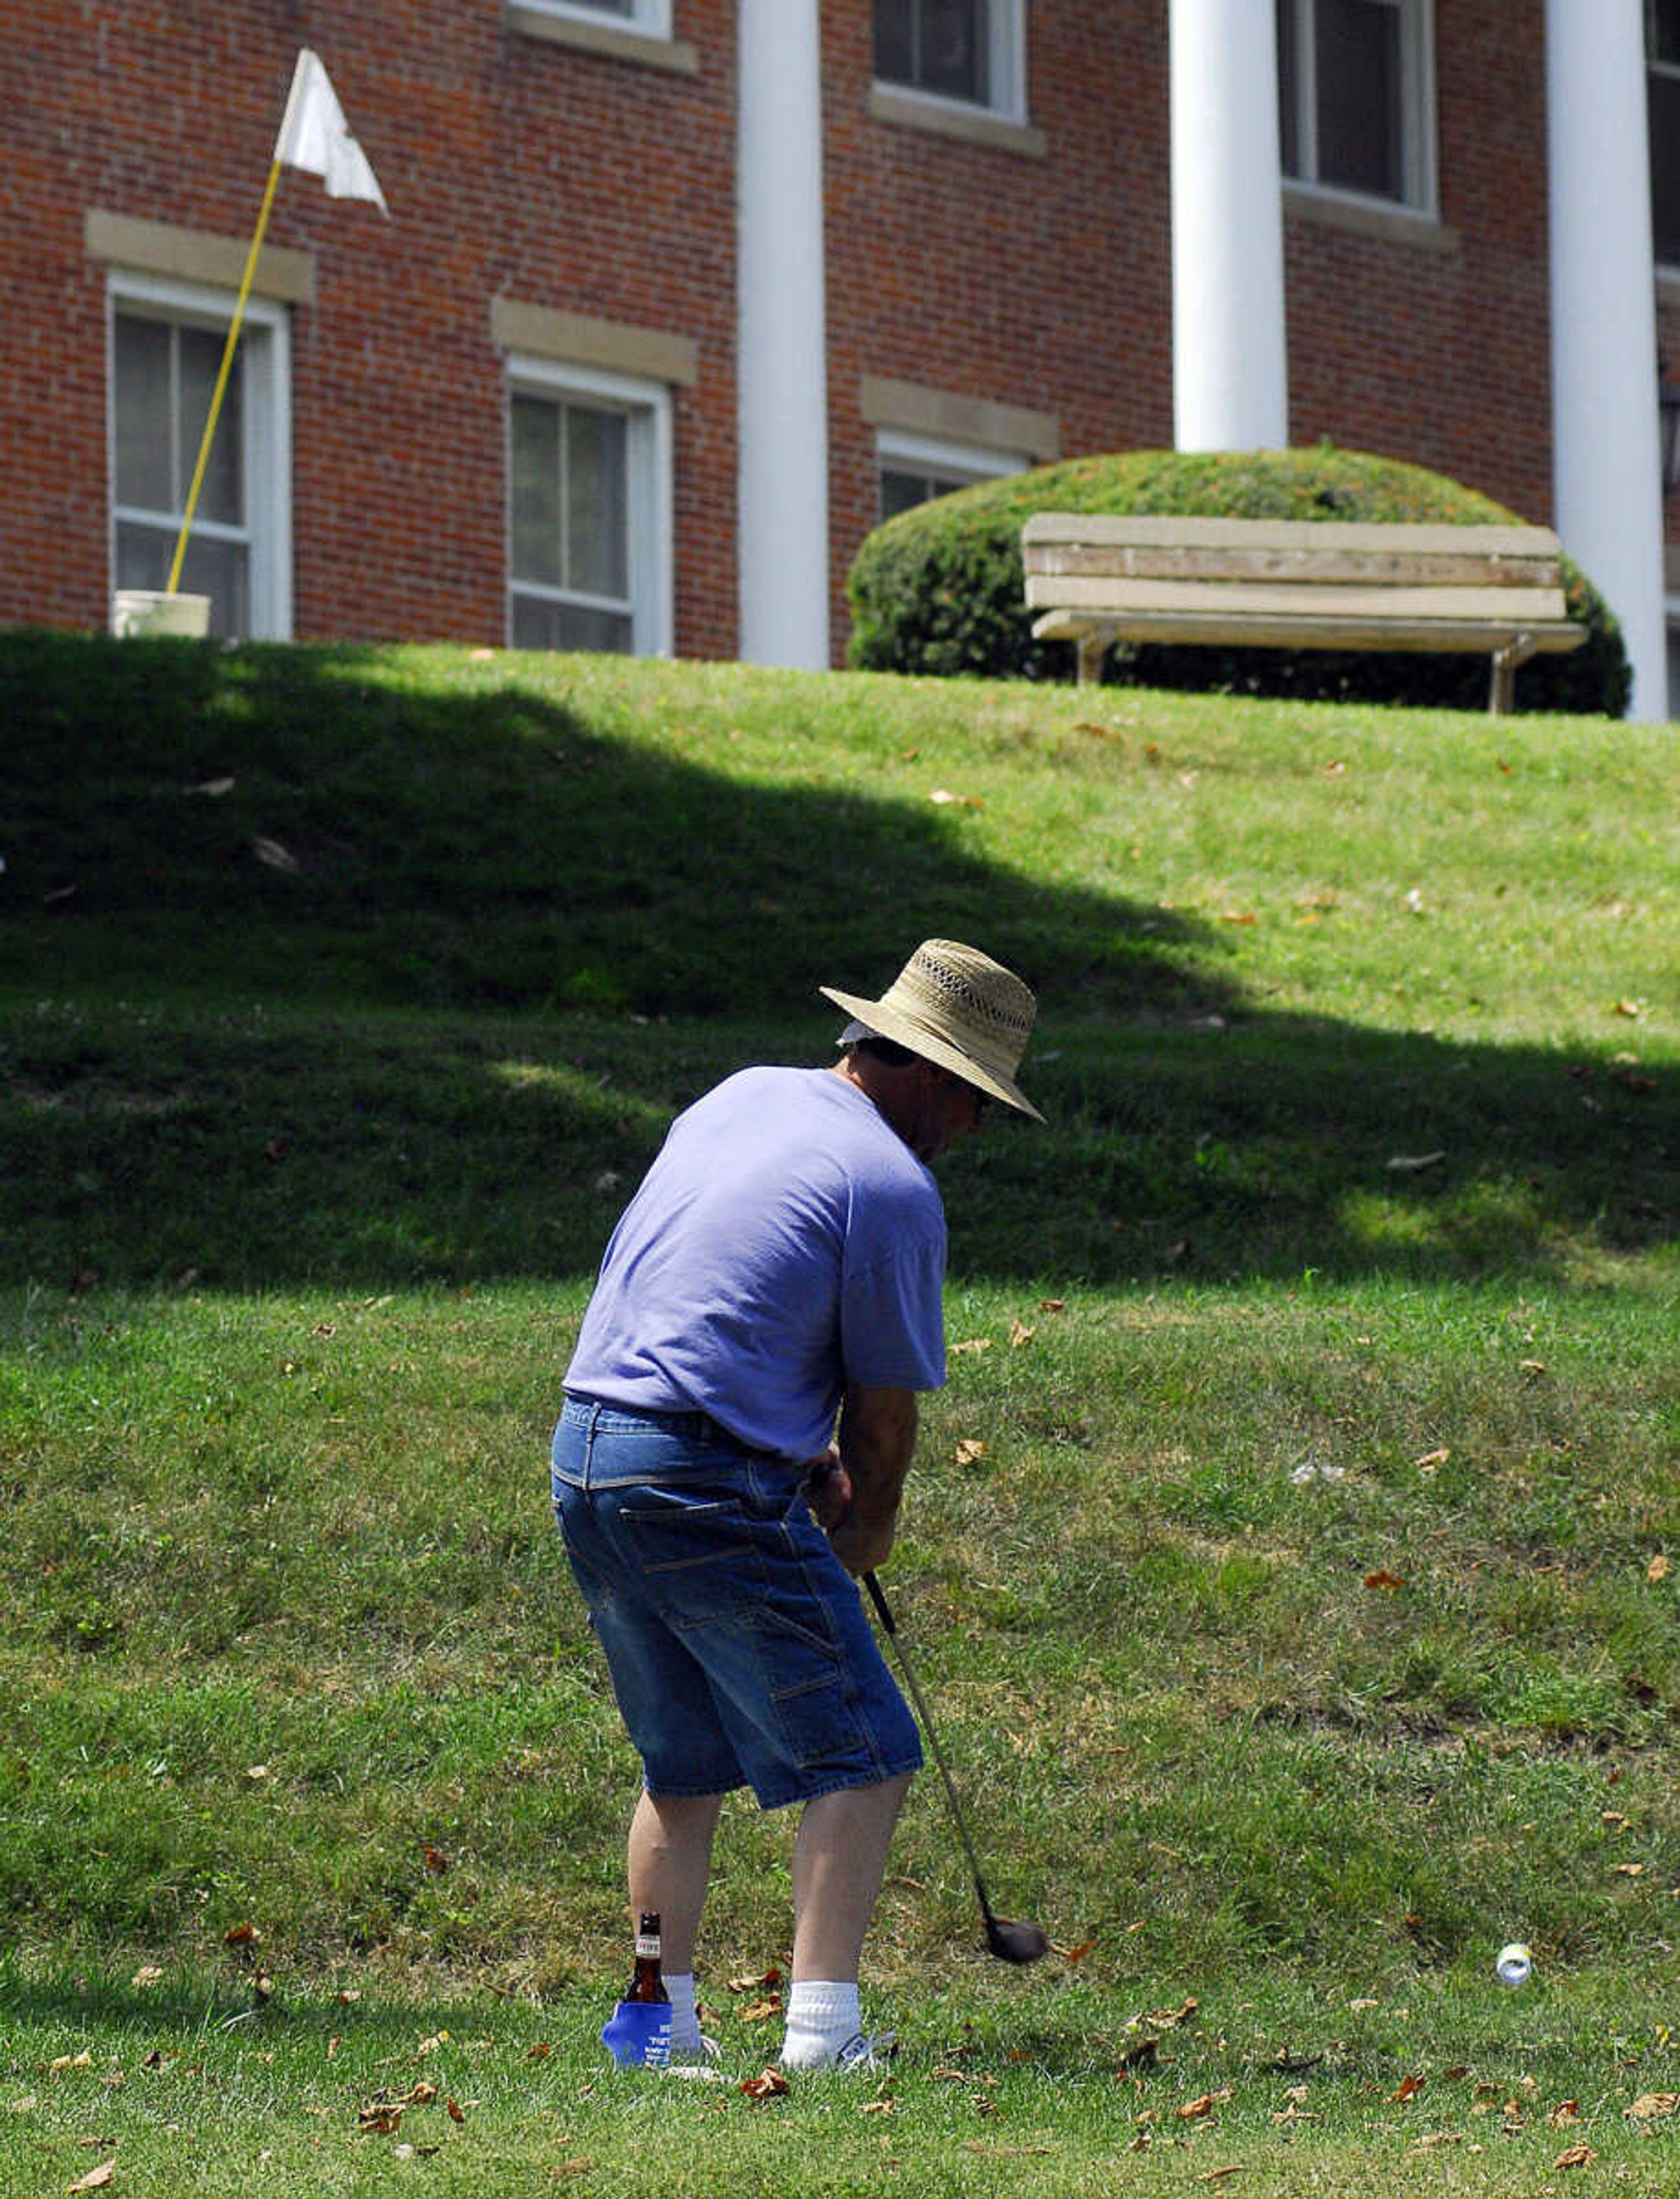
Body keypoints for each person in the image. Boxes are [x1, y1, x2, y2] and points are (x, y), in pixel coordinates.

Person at [550, 940, 1043, 2073]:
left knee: (682, 1761)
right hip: (696, 1473)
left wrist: (779, 1452)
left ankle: (652, 2024)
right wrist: (862, 1530)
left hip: (588, 1448)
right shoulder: (892, 1184)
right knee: (865, 1748)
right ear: (925, 1071)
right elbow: (882, 1421)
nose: (971, 1132)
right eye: (975, 1102)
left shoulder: (740, 1098)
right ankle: (823, 2033)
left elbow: (712, 1306)